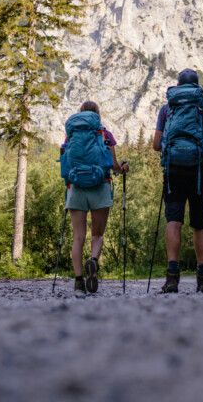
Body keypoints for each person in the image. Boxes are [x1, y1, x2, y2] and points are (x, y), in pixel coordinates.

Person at [152, 69, 203, 293]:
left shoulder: (167, 108)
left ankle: (172, 277)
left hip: (173, 171)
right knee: (199, 223)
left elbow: (155, 144)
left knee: (174, 220)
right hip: (198, 171)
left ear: (179, 85)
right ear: (196, 87)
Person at [61, 101, 129, 295]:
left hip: (76, 187)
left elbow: (64, 159)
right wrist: (122, 168)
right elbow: (114, 165)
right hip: (100, 186)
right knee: (97, 234)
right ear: (98, 114)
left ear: (80, 114)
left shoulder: (71, 134)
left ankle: (78, 282)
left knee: (78, 237)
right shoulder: (104, 134)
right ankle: (93, 260)